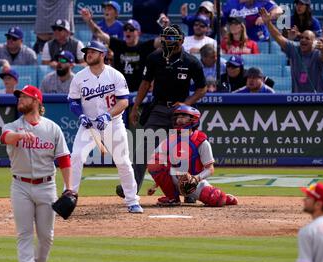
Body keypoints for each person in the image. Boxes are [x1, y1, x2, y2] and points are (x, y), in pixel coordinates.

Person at [117, 24, 207, 202]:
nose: (168, 42)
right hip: (158, 108)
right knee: (144, 148)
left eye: (172, 38)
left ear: (181, 40)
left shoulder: (191, 62)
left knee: (185, 152)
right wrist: (135, 107)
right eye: (165, 38)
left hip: (181, 113)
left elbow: (202, 88)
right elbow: (145, 83)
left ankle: (189, 191)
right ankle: (131, 189)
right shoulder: (154, 57)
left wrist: (186, 104)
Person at [0, 85, 73, 262]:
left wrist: (70, 188)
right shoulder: (12, 126)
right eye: (19, 97)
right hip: (20, 186)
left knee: (46, 236)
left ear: (36, 101)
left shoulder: (52, 128)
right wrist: (20, 136)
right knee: (24, 233)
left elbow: (64, 160)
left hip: (46, 186)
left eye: (24, 97)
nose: (19, 100)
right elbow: (5, 138)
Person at [68, 40, 143, 214]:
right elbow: (72, 102)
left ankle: (132, 200)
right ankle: (70, 197)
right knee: (77, 157)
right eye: (87, 52)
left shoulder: (115, 75)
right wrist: (80, 114)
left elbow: (124, 101)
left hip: (113, 123)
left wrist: (108, 115)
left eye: (93, 51)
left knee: (123, 161)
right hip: (89, 125)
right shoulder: (79, 77)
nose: (88, 54)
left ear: (102, 54)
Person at [147, 105, 238, 206]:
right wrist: (156, 185)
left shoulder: (201, 142)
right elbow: (159, 167)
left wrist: (195, 179)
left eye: (184, 116)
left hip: (193, 183)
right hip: (175, 180)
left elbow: (210, 169)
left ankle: (226, 198)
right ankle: (172, 198)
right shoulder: (170, 140)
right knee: (154, 161)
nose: (179, 119)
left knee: (216, 198)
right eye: (178, 117)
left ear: (194, 120)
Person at [81, 9, 159, 92]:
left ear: (138, 33)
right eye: (125, 29)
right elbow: (98, 33)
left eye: (131, 29)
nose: (127, 31)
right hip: (121, 91)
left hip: (139, 93)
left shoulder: (145, 46)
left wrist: (166, 26)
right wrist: (89, 21)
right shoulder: (118, 45)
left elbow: (162, 41)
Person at [260, 7, 323, 93]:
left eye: (307, 38)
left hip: (318, 99)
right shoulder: (295, 49)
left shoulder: (317, 53)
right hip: (297, 99)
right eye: (302, 37)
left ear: (313, 42)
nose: (303, 40)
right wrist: (268, 23)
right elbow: (278, 37)